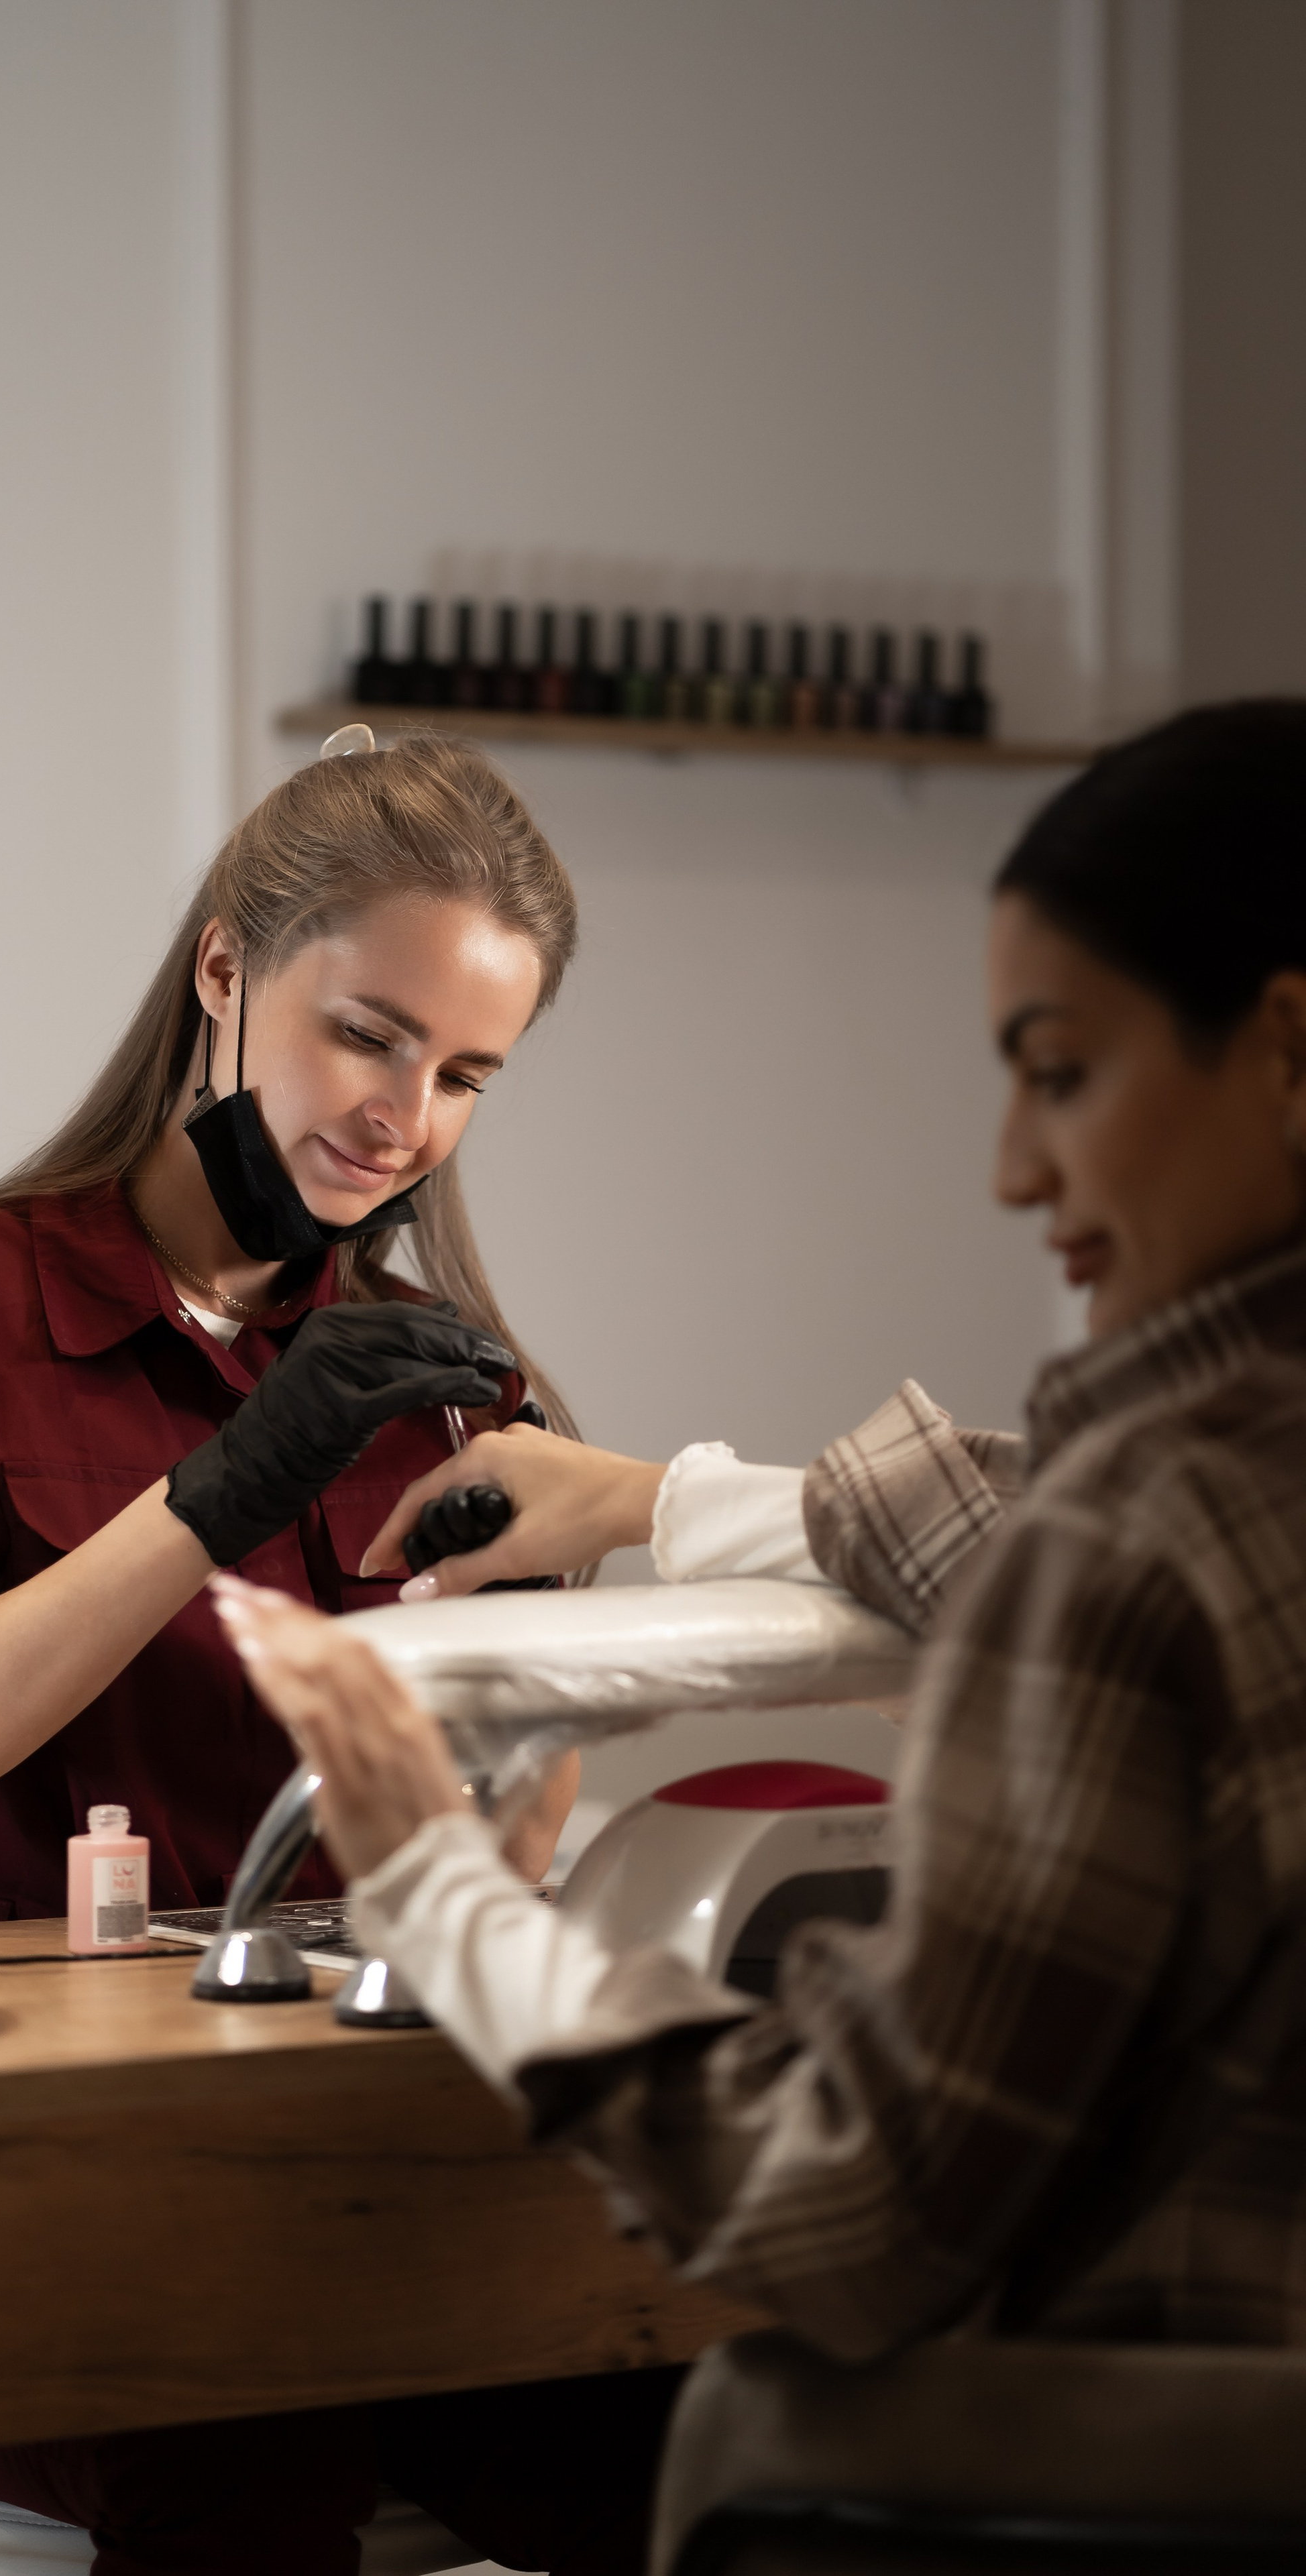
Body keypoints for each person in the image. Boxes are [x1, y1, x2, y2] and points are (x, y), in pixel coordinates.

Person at [213, 699, 1306, 2367]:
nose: (1013, 1170)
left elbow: (849, 2218)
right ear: (226, 973)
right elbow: (1047, 1532)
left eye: (1062, 1075)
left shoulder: (1153, 1529)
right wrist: (660, 1500)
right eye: (369, 1036)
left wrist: (447, 1901)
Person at [0, 732, 675, 2573]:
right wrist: (218, 1487)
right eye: (368, 1034)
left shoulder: (448, 1378)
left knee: (711, 2425)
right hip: (80, 2180)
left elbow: (498, 1862)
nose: (402, 1117)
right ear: (224, 972)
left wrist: (535, 1669)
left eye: (466, 1074)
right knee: (244, 2474)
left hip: (386, 2159)